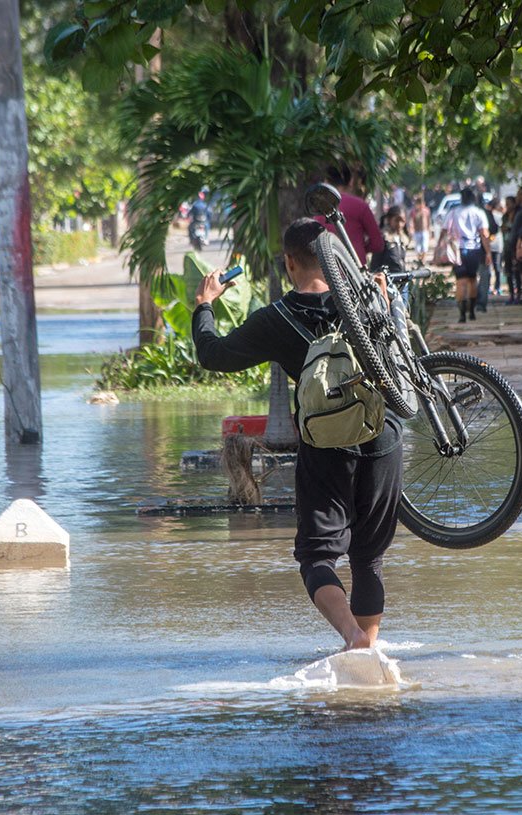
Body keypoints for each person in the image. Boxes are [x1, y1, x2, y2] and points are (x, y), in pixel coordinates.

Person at [192, 218, 403, 650]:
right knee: (369, 558)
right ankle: (368, 648)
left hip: (327, 445)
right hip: (384, 437)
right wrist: (381, 297)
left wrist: (205, 304)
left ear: (289, 263)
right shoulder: (366, 303)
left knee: (316, 555)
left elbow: (212, 355)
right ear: (333, 257)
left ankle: (351, 637)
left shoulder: (276, 318)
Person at [316, 164, 385, 266]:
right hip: (356, 271)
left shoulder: (318, 208)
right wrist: (359, 248)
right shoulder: (360, 206)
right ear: (351, 182)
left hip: (326, 270)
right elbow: (378, 244)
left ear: (326, 182)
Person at [447, 187, 492, 323]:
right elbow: (484, 234)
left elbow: (445, 230)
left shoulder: (453, 212)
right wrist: (488, 252)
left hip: (457, 250)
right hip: (474, 250)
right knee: (472, 280)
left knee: (460, 282)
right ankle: (471, 311)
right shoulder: (479, 213)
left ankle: (462, 315)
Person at [373, 205, 411, 274]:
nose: (399, 224)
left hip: (400, 278)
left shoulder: (403, 239)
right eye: (396, 220)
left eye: (402, 221)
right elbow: (375, 264)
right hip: (387, 279)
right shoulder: (383, 238)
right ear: (389, 219)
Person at [501, 195, 519, 303]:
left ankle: (519, 294)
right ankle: (511, 294)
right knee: (508, 271)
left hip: (516, 246)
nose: (507, 206)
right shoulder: (505, 216)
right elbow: (503, 228)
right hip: (507, 246)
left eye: (509, 203)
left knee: (517, 271)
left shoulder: (518, 215)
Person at [410, 195, 431, 264]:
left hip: (424, 231)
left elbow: (428, 221)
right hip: (417, 231)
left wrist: (429, 230)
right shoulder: (414, 212)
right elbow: (412, 221)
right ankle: (420, 259)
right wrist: (411, 229)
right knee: (418, 248)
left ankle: (423, 260)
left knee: (425, 246)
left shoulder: (426, 211)